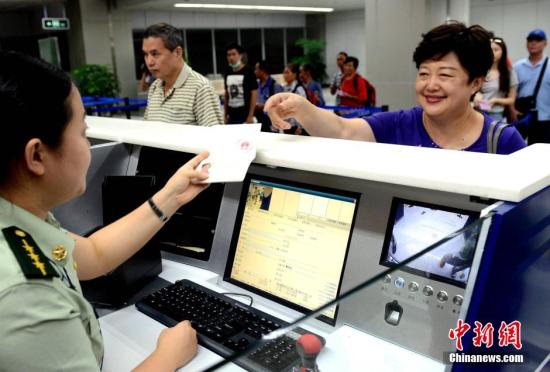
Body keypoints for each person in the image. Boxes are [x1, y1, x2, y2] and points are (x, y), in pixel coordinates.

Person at [0, 50, 210, 371]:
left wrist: (171, 196)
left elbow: (93, 255)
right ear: (37, 156)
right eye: (83, 133)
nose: (87, 145)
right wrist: (167, 356)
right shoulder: (25, 296)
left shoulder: (19, 216)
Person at [265, 22, 526, 155]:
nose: (431, 85)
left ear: (476, 83)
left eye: (445, 75)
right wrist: (300, 107)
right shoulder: (399, 125)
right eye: (424, 73)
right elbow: (343, 130)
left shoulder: (502, 142)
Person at [143, 23, 223, 126]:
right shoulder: (154, 87)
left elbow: (214, 138)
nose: (149, 62)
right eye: (145, 54)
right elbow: (147, 130)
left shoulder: (200, 88)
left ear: (177, 52)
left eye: (155, 54)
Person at [513, 28, 550, 144]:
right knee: (516, 150)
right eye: (530, 40)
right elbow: (512, 91)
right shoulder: (517, 66)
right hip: (521, 117)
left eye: (538, 40)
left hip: (545, 118)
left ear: (545, 43)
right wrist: (512, 111)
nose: (533, 43)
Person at [474, 37, 518, 122]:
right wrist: (476, 95)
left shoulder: (509, 73)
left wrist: (495, 100)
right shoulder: (481, 69)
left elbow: (511, 99)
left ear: (503, 52)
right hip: (477, 111)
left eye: (496, 50)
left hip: (496, 114)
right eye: (490, 50)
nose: (492, 53)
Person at [224, 43, 258, 124]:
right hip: (231, 114)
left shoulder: (248, 71)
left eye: (233, 54)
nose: (231, 57)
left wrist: (250, 115)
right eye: (229, 55)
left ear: (240, 55)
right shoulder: (227, 72)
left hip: (244, 114)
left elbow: (254, 93)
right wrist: (225, 115)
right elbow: (226, 94)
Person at [254, 60, 283, 132]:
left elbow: (279, 106)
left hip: (271, 123)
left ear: (262, 70)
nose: (255, 72)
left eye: (256, 69)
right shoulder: (256, 85)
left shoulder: (275, 86)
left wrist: (263, 106)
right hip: (258, 121)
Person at [281, 63, 308, 135]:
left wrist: (300, 127)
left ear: (294, 74)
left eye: (287, 72)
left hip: (296, 127)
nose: (284, 75)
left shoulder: (299, 89)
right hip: (286, 125)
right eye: (284, 72)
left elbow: (304, 109)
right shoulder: (284, 88)